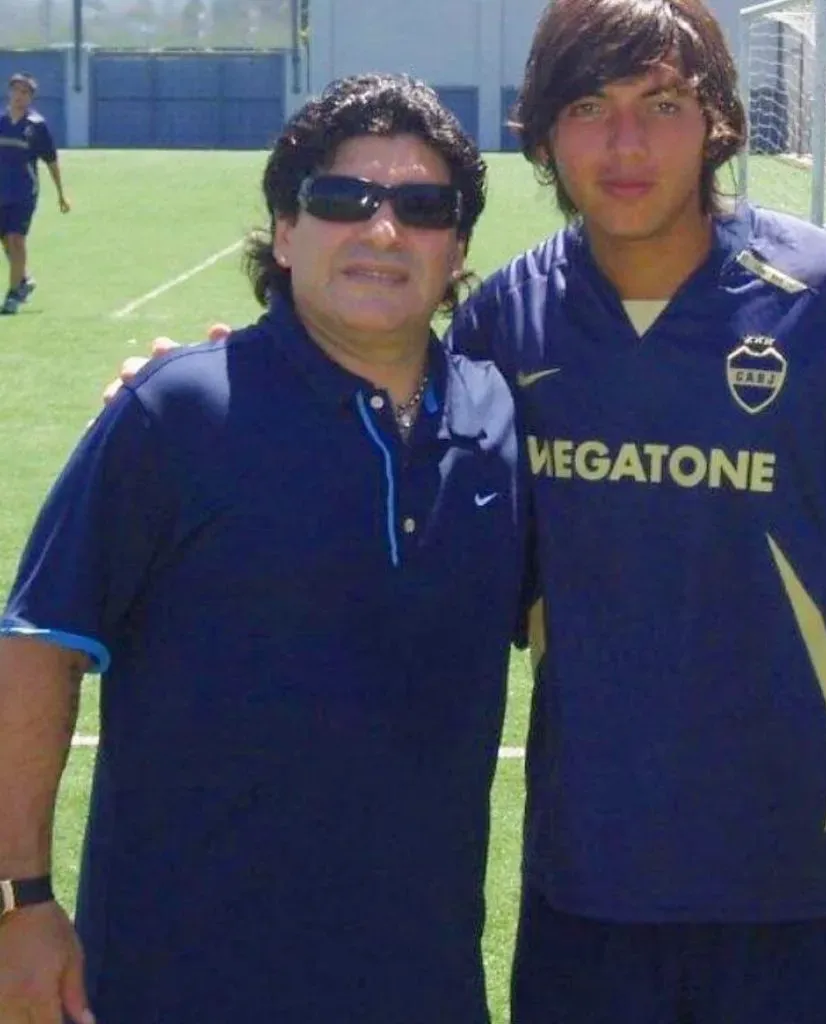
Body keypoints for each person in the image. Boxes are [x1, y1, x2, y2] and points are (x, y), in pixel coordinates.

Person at [104, 1, 826, 1020]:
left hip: (810, 873)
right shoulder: (505, 319)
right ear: (542, 132)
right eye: (588, 107)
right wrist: (214, 377)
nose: (625, 145)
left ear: (716, 122)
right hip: (592, 887)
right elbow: (366, 409)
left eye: (661, 104)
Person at [0, 73, 524, 1024]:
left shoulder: (499, 421)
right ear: (286, 233)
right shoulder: (175, 411)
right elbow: (38, 650)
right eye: (342, 199)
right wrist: (22, 901)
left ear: (456, 251)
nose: (382, 230)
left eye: (422, 207)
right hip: (178, 979)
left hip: (420, 978)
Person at [0, 73, 70, 315]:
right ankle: (24, 280)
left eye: (25, 92)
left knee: (16, 239)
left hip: (23, 192)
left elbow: (51, 161)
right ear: (9, 92)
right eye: (16, 91)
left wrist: (61, 193)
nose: (19, 96)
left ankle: (12, 295)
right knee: (6, 240)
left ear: (31, 97)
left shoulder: (37, 126)